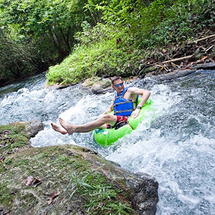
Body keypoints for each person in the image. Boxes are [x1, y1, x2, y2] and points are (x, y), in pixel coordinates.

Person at [51, 76, 151, 135]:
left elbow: (147, 92)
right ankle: (65, 130)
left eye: (121, 84)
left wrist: (138, 108)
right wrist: (103, 115)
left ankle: (71, 128)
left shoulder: (130, 91)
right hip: (117, 121)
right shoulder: (115, 97)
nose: (120, 86)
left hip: (127, 119)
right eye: (117, 85)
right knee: (95, 124)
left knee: (105, 118)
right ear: (113, 87)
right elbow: (111, 109)